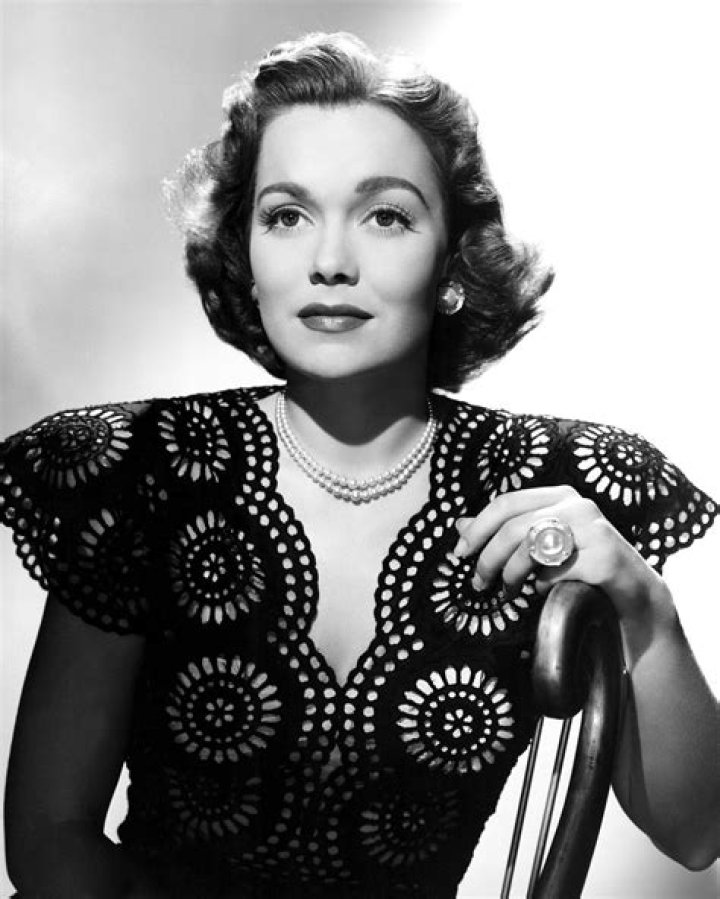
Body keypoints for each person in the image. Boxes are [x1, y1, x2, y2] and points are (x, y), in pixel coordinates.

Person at [1, 31, 718, 899]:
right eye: (286, 215)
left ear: (452, 263)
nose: (330, 261)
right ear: (245, 255)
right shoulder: (140, 470)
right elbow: (48, 838)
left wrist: (645, 607)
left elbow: (698, 833)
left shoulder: (547, 487)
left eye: (386, 216)